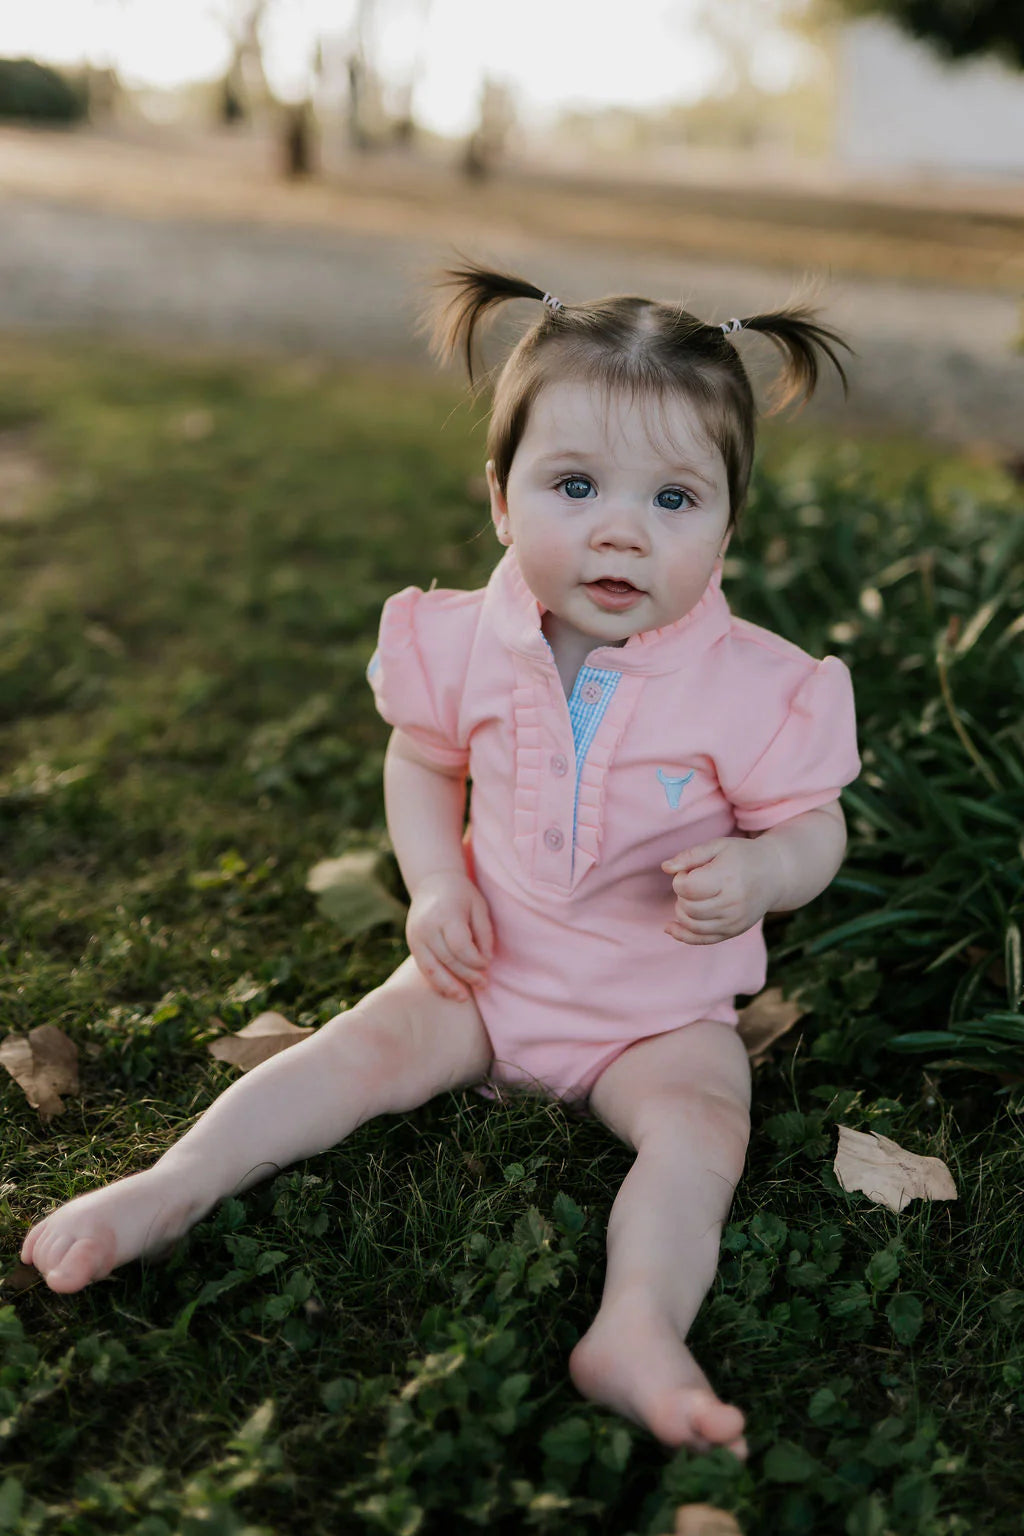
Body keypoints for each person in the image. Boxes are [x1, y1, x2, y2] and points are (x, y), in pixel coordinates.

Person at [20, 260, 860, 1460]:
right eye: (575, 484)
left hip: (655, 1012)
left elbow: (811, 826)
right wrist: (437, 885)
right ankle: (173, 1184)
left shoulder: (759, 689)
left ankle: (634, 1325)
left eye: (675, 500)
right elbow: (421, 764)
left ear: (729, 521)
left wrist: (767, 874)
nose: (620, 529)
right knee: (350, 1053)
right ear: (501, 498)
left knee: (698, 1135)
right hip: (489, 971)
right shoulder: (462, 640)